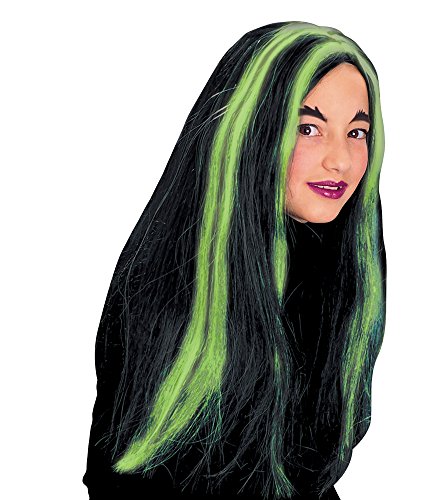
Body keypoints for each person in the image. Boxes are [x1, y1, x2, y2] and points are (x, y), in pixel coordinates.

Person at [82, 21, 386, 499]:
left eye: (356, 132)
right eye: (308, 128)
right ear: (252, 130)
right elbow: (121, 475)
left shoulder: (339, 278)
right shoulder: (171, 290)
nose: (341, 161)